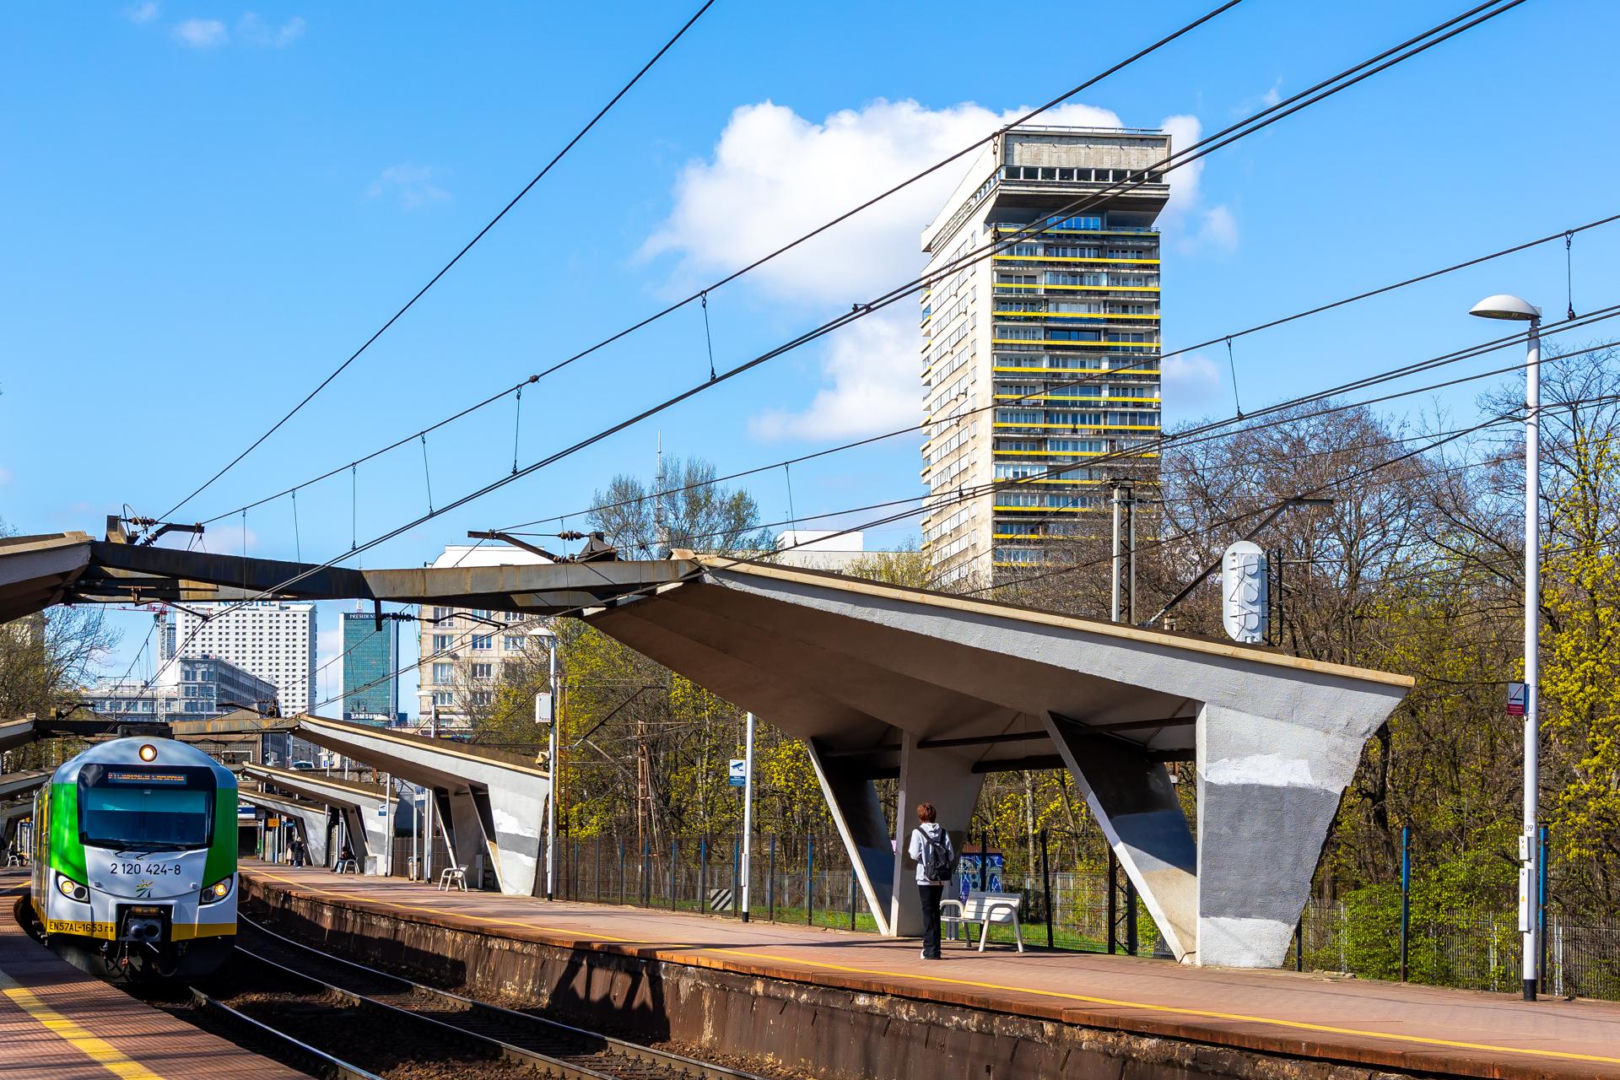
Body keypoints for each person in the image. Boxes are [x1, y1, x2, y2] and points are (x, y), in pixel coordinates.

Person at [907, 802, 953, 960]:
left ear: (920, 816)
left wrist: (923, 856)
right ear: (934, 815)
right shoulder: (943, 832)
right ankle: (936, 949)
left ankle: (929, 950)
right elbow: (950, 855)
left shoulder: (917, 832)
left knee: (928, 913)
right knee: (935, 912)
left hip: (925, 878)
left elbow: (913, 854)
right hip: (940, 878)